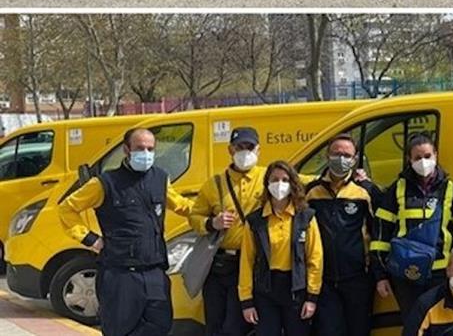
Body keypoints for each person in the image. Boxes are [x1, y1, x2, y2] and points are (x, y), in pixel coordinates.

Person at [58, 128, 193, 335]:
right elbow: (67, 208)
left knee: (160, 325)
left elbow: (183, 206)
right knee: (119, 329)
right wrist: (91, 239)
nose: (146, 154)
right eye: (140, 148)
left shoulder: (160, 179)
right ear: (126, 150)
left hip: (154, 270)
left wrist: (212, 217)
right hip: (120, 273)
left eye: (150, 149)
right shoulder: (105, 183)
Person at [373, 134, 453, 334]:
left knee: (444, 326)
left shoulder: (451, 190)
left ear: (436, 155)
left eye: (427, 155)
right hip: (406, 274)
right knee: (413, 326)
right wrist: (380, 275)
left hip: (440, 274)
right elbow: (380, 234)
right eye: (417, 158)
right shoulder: (397, 188)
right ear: (409, 159)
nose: (423, 162)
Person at [189, 127, 266, 336]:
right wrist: (212, 223)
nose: (245, 152)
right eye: (239, 147)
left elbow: (304, 182)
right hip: (220, 264)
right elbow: (194, 217)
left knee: (236, 326)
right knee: (214, 323)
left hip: (250, 264)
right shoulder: (214, 184)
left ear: (258, 150)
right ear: (230, 150)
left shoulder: (269, 177)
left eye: (249, 147)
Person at [303, 135, 384, 336]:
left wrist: (379, 273)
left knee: (359, 331)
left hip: (358, 278)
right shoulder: (311, 192)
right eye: (336, 154)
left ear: (355, 159)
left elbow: (379, 233)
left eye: (347, 155)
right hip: (325, 280)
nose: (341, 159)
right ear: (327, 155)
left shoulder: (366, 191)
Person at [239, 161, 324, 336]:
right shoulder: (255, 220)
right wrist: (246, 301)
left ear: (293, 184)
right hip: (266, 289)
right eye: (275, 179)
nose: (280, 184)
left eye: (285, 179)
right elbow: (246, 261)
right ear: (267, 184)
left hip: (296, 289)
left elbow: (315, 258)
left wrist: (312, 297)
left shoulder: (306, 217)